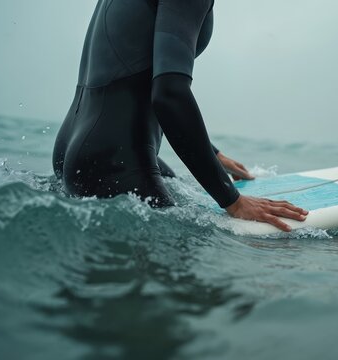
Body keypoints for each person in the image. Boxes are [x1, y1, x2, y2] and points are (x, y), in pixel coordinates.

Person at [52, 0, 308, 231]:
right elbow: (169, 94)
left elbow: (134, 78)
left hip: (74, 148)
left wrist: (213, 154)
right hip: (115, 160)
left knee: (172, 184)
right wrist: (233, 201)